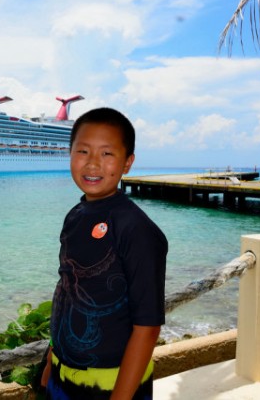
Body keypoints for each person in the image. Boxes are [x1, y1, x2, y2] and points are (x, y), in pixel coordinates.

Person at [41, 107, 168, 399]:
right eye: (83, 151)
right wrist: (50, 362)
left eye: (107, 153)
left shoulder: (136, 230)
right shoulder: (76, 215)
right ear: (70, 154)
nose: (93, 163)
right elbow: (67, 290)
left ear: (127, 163)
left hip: (114, 385)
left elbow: (148, 327)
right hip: (61, 375)